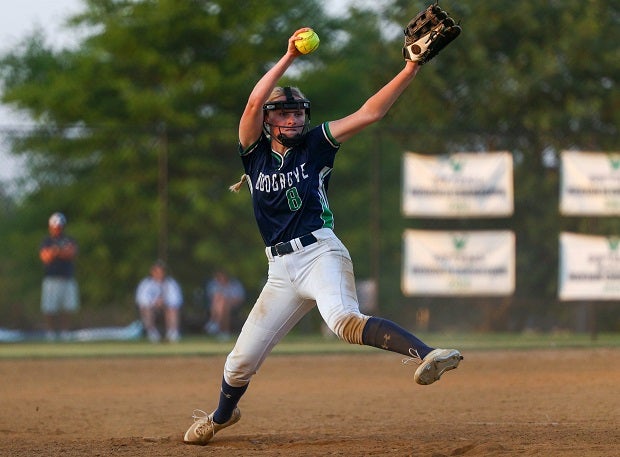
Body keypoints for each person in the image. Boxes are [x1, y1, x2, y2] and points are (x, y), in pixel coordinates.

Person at [183, 27, 463, 445]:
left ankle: (429, 354)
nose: (292, 118)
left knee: (343, 321)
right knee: (239, 362)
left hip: (320, 253)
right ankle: (221, 417)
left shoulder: (316, 145)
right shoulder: (254, 153)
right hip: (280, 269)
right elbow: (255, 101)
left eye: (298, 112)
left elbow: (370, 113)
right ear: (268, 121)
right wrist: (289, 57)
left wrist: (411, 67)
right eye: (283, 113)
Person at [39, 212, 80, 341]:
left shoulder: (69, 239)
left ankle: (65, 333)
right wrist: (59, 251)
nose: (57, 229)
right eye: (55, 226)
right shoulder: (46, 241)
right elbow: (45, 257)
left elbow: (71, 253)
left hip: (67, 278)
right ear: (51, 226)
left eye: (59, 226)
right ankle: (51, 334)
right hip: (51, 279)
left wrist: (56, 252)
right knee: (49, 308)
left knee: (68, 307)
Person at [135, 260, 183, 343]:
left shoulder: (171, 283)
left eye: (161, 271)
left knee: (173, 309)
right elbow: (141, 300)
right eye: (157, 271)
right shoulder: (145, 284)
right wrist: (154, 303)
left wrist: (165, 302)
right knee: (146, 310)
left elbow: (176, 300)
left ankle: (172, 333)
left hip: (166, 308)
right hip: (151, 308)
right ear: (152, 272)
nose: (159, 274)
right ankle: (152, 333)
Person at [204, 270, 246, 340]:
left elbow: (239, 299)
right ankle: (224, 331)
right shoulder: (214, 284)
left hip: (233, 306)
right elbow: (212, 298)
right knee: (222, 304)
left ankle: (214, 321)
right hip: (218, 306)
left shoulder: (235, 284)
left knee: (223, 303)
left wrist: (227, 301)